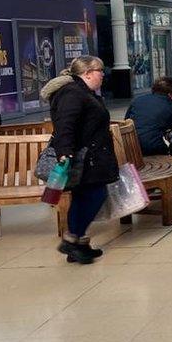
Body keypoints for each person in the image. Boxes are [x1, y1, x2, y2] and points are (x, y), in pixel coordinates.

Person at [40, 56, 118, 265]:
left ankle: (78, 244)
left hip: (89, 155)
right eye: (100, 70)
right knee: (95, 195)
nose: (103, 74)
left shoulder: (84, 91)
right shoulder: (72, 93)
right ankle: (72, 239)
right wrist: (64, 151)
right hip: (83, 157)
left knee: (83, 197)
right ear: (88, 73)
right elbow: (65, 124)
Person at [125, 77, 172, 156]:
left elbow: (127, 120)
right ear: (170, 94)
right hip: (152, 148)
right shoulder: (170, 106)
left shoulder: (137, 100)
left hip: (131, 145)